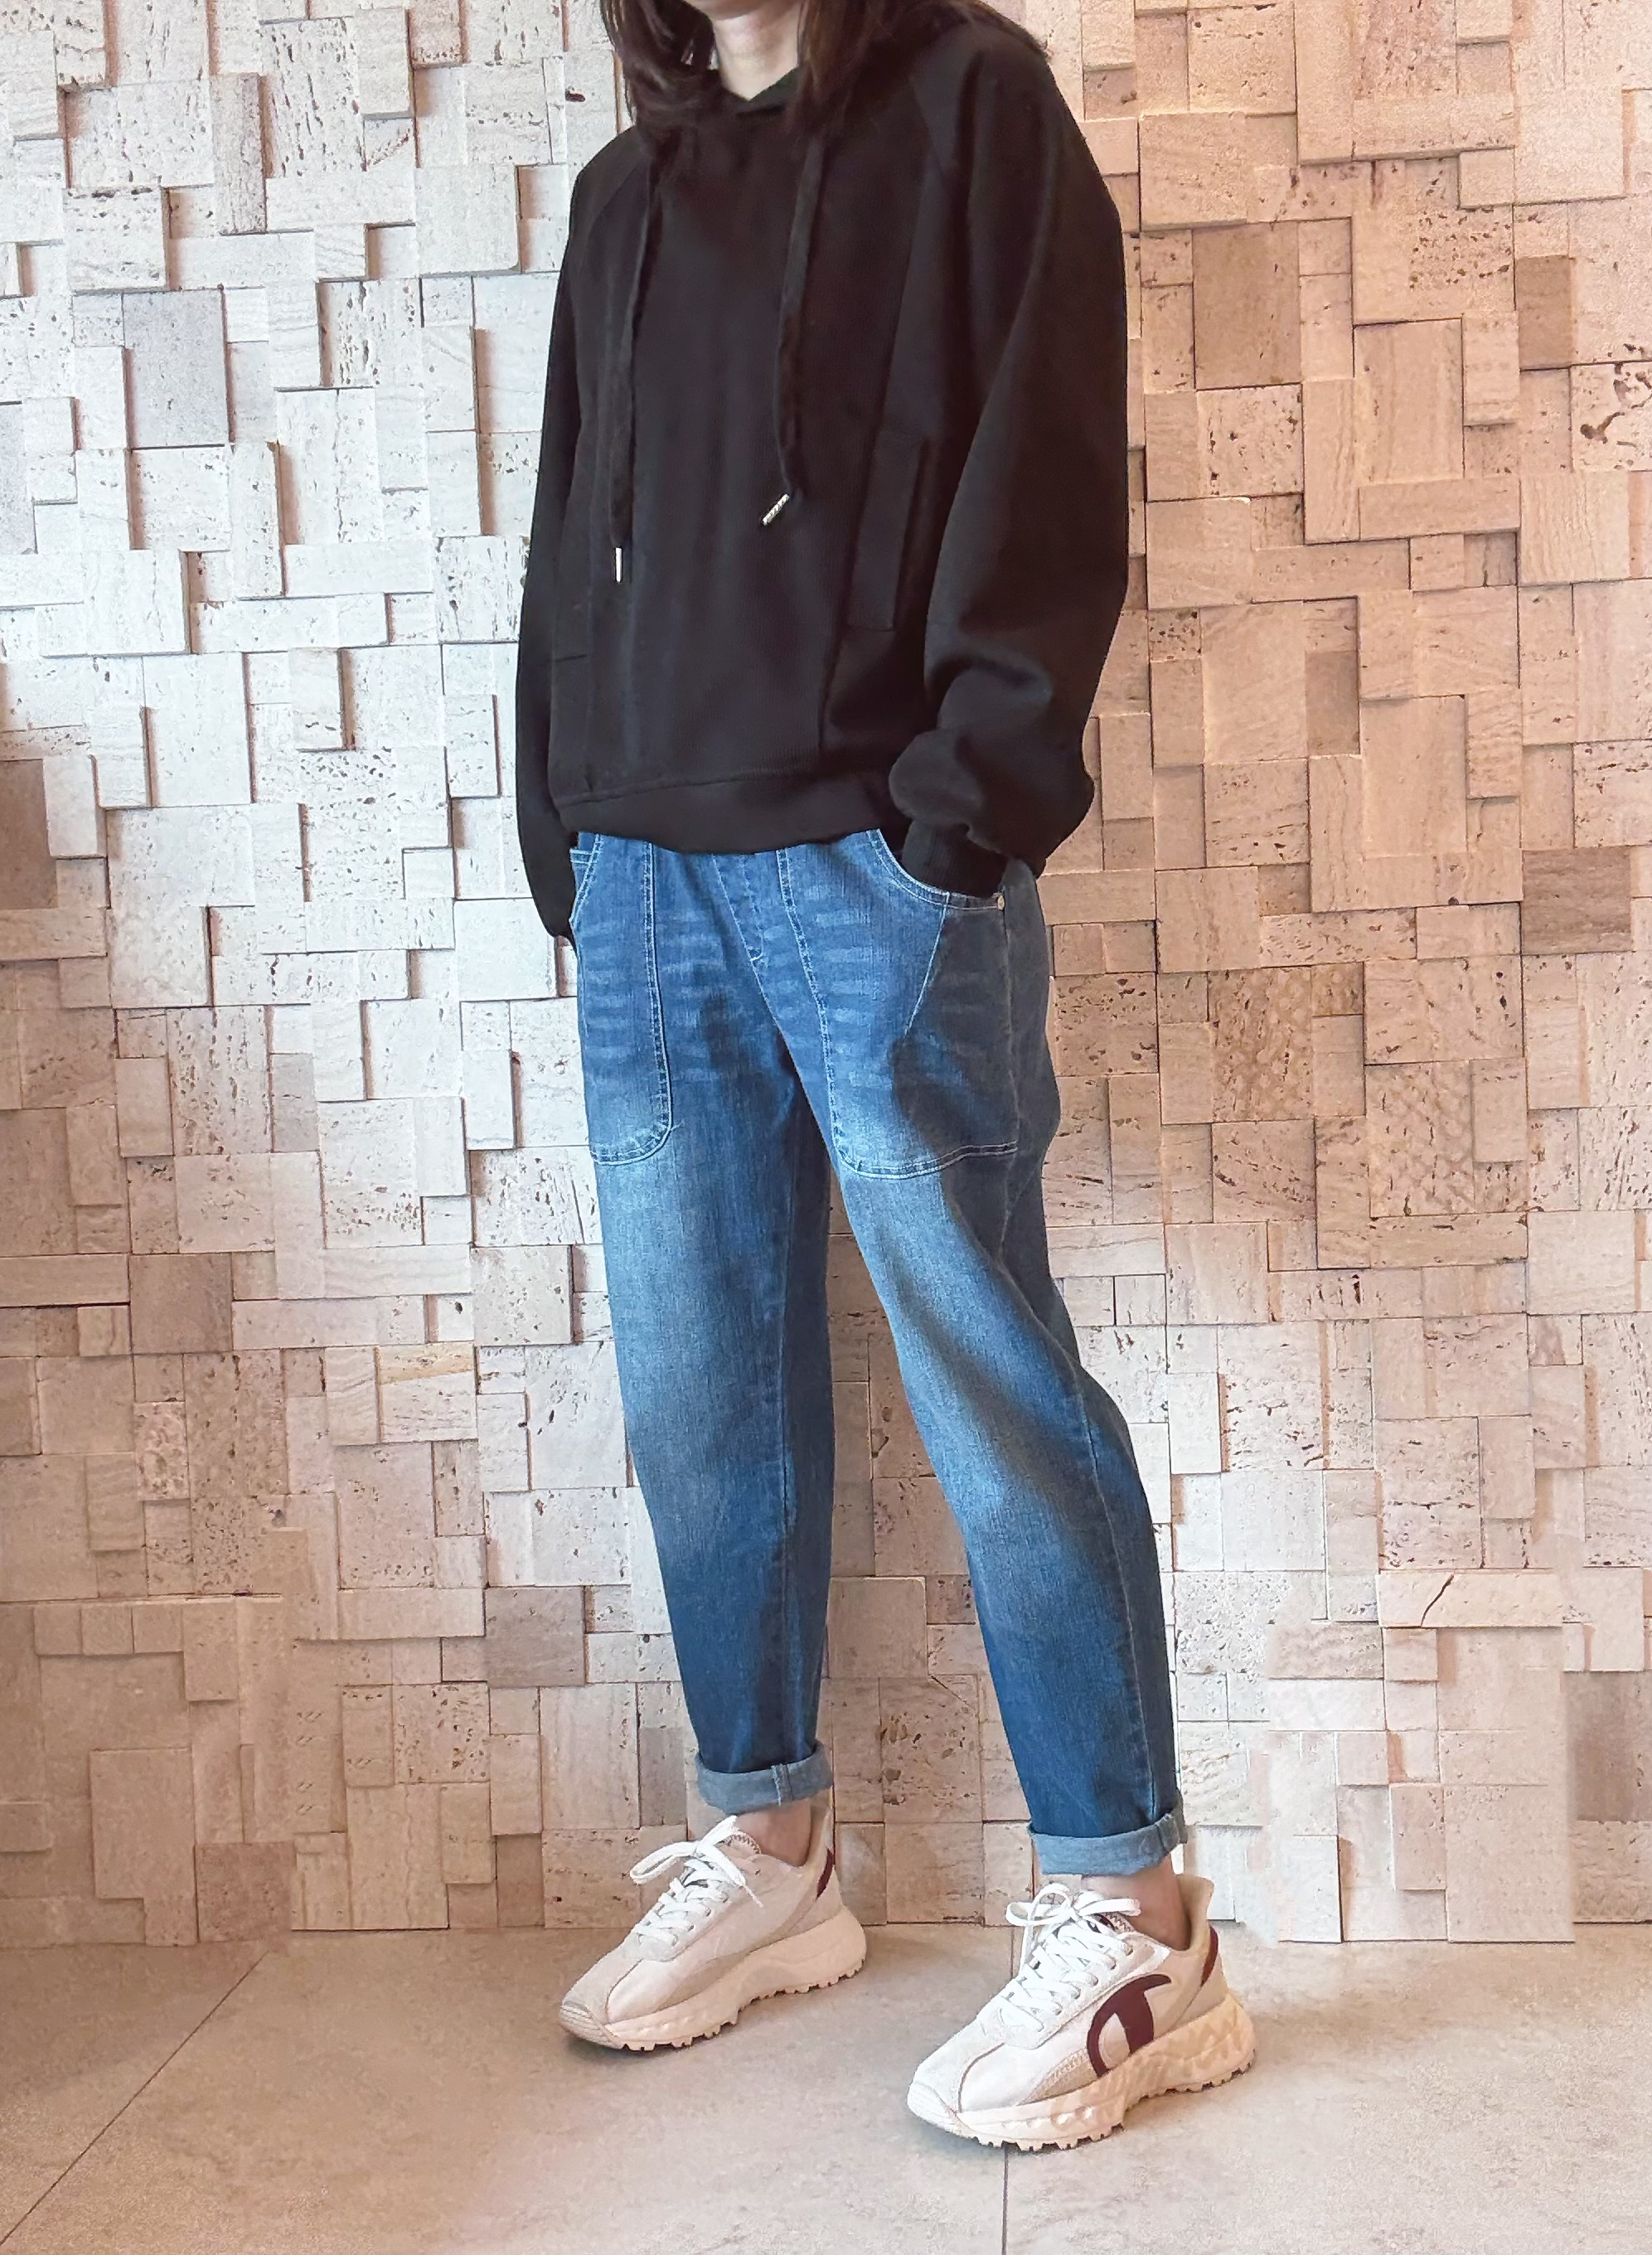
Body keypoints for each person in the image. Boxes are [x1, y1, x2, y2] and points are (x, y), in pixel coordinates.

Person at [515, 0, 1254, 2151]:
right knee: (697, 1391)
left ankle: (1140, 1919)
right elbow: (568, 532)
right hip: (648, 875)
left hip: (876, 860)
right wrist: (569, 824)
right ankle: (773, 1850)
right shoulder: (624, 197)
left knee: (986, 1372)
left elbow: (1048, 458)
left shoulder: (972, 105)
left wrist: (960, 822)